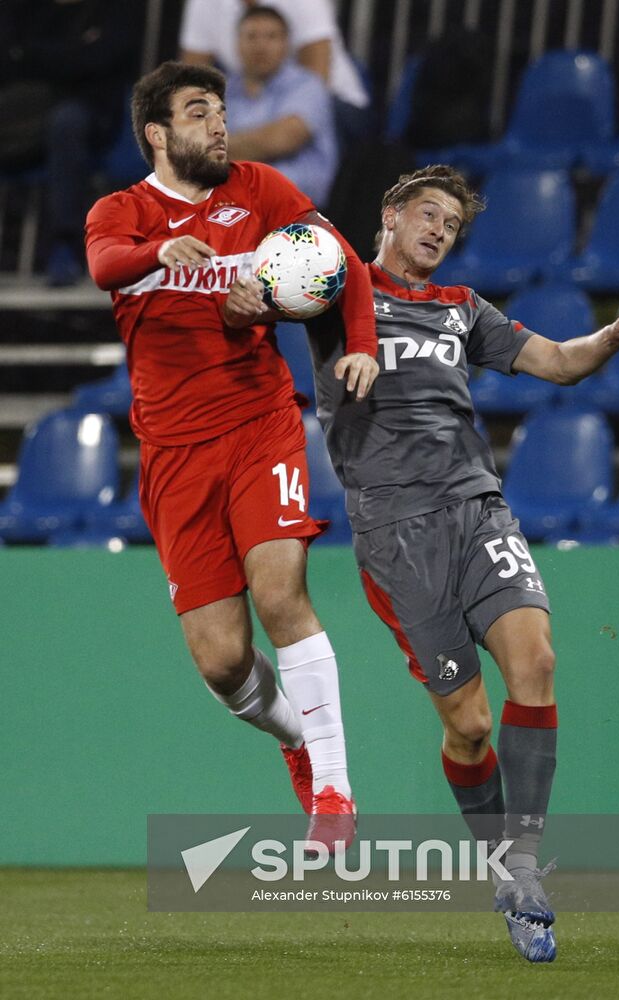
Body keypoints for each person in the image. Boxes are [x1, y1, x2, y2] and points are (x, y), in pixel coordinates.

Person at [307, 165, 619, 960]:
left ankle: (522, 866)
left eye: (451, 225)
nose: (437, 231)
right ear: (388, 215)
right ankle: (499, 859)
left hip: (475, 506)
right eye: (425, 214)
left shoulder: (461, 310)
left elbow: (557, 362)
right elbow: (275, 288)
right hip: (395, 534)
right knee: (469, 726)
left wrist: (604, 338)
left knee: (535, 660)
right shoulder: (337, 289)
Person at [84, 61, 379, 851]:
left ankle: (335, 791)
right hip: (174, 456)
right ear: (158, 133)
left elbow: (340, 262)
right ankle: (296, 743)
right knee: (222, 661)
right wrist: (160, 253)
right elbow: (105, 265)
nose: (219, 124)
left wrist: (358, 346)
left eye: (220, 110)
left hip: (258, 425)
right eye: (198, 112)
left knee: (279, 594)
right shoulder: (121, 212)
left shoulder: (260, 190)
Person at [0, 0, 144, 286]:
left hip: (93, 111)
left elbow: (106, 58)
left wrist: (33, 55)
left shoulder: (120, 8)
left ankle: (64, 244)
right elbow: (7, 58)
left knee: (66, 124)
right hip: (25, 108)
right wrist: (73, 54)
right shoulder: (18, 8)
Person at [178, 0, 371, 147]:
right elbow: (193, 82)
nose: (261, 46)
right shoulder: (203, 4)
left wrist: (206, 147)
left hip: (333, 100)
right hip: (251, 97)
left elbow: (315, 86)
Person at [225, 6, 338, 207]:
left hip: (295, 213)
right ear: (237, 44)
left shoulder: (307, 85)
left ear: (286, 44)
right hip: (231, 206)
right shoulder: (222, 89)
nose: (260, 46)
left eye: (271, 37)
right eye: (251, 37)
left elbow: (281, 139)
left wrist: (213, 148)